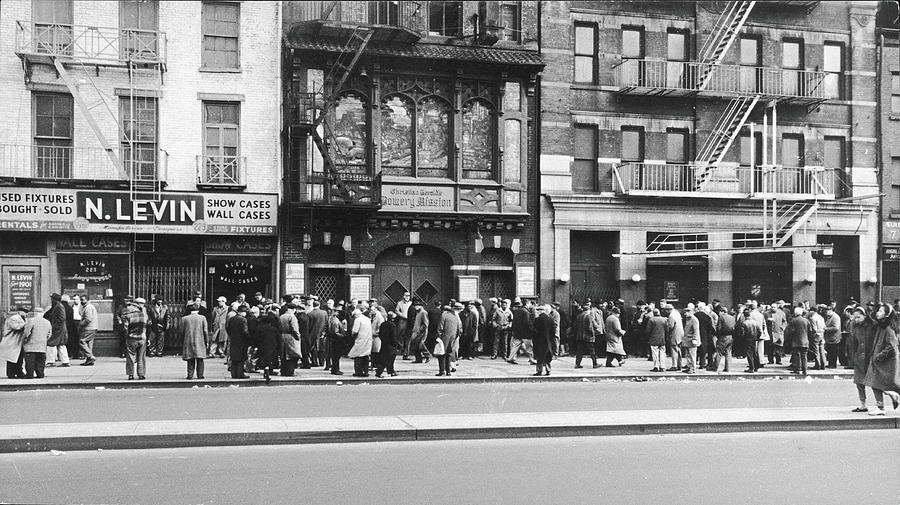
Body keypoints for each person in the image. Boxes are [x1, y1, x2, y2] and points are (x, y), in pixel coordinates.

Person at [863, 303, 900, 416]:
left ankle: (882, 405)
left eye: (880, 311)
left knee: (879, 383)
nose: (878, 313)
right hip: (880, 361)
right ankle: (886, 400)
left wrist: (879, 356)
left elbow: (892, 347)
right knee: (876, 383)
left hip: (885, 363)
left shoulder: (888, 328)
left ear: (886, 314)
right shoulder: (881, 325)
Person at [846, 306, 875, 412]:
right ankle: (863, 404)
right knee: (859, 382)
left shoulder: (872, 325)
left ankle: (884, 401)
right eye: (855, 317)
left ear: (865, 316)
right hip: (859, 358)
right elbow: (853, 343)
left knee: (875, 383)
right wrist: (853, 357)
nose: (856, 319)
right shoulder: (854, 326)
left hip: (870, 357)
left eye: (859, 317)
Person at [180, 304, 209, 380]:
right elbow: (205, 331)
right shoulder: (203, 318)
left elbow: (181, 331)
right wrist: (207, 341)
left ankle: (190, 375)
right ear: (198, 311)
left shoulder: (184, 319)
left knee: (190, 359)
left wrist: (183, 340)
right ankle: (200, 375)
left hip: (188, 341)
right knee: (200, 359)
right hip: (200, 341)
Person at [123, 297, 148, 380]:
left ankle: (131, 374)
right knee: (141, 357)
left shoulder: (128, 316)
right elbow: (146, 327)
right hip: (142, 338)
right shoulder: (144, 315)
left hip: (132, 338)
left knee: (131, 357)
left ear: (134, 307)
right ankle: (141, 374)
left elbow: (125, 328)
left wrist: (127, 336)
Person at [23, 307, 52, 379]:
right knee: (40, 361)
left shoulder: (31, 321)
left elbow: (27, 333)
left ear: (34, 313)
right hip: (42, 345)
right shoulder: (47, 322)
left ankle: (29, 375)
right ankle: (40, 374)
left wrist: (25, 340)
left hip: (31, 345)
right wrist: (44, 340)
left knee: (30, 361)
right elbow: (49, 334)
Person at [44, 293, 69, 368]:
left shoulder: (59, 306)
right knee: (61, 344)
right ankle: (65, 361)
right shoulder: (57, 306)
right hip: (60, 329)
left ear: (55, 299)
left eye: (52, 299)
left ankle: (50, 361)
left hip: (58, 329)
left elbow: (61, 318)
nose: (51, 300)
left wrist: (54, 326)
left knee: (50, 343)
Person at [573, 301, 601, 369]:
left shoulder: (579, 316)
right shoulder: (588, 316)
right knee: (592, 351)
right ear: (588, 310)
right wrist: (592, 334)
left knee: (579, 351)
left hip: (580, 336)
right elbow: (590, 327)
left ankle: (577, 364)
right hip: (587, 336)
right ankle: (595, 363)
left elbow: (575, 326)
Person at [785, 307, 812, 376]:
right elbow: (810, 331)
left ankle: (797, 369)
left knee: (797, 356)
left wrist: (789, 339)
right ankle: (805, 370)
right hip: (805, 341)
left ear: (795, 313)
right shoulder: (806, 321)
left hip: (796, 341)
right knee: (804, 356)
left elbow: (789, 331)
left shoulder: (793, 320)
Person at [1, 308, 27, 378]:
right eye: (24, 312)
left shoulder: (23, 318)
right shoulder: (14, 318)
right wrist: (26, 324)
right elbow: (16, 327)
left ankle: (19, 372)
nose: (25, 314)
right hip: (11, 341)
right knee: (11, 359)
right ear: (19, 312)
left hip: (17, 342)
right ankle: (11, 373)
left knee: (19, 358)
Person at [435, 303, 461, 376]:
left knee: (441, 354)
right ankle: (448, 371)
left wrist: (438, 337)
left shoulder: (444, 315)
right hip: (452, 338)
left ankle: (442, 371)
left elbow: (440, 327)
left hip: (444, 337)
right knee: (449, 354)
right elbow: (459, 329)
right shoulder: (455, 317)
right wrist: (455, 337)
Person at [508, 299, 534, 365]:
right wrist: (531, 331)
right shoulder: (526, 312)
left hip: (517, 332)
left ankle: (511, 358)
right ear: (527, 304)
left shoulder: (516, 311)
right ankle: (532, 359)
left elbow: (513, 322)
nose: (530, 305)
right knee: (529, 347)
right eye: (529, 304)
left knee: (515, 346)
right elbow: (526, 323)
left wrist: (513, 330)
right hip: (525, 333)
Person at [348, 309, 373, 377]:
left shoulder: (358, 320)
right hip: (368, 340)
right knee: (366, 356)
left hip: (360, 340)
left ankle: (358, 372)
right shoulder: (368, 319)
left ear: (356, 315)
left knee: (358, 356)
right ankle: (366, 371)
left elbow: (355, 331)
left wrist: (351, 336)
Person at [227, 305, 250, 379]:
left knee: (234, 358)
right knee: (241, 359)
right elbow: (245, 331)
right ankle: (240, 374)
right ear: (242, 312)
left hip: (233, 340)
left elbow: (228, 329)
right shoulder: (243, 320)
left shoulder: (231, 319)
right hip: (241, 341)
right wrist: (248, 339)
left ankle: (234, 374)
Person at [279, 304, 302, 377]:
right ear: (294, 309)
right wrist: (298, 337)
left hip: (283, 336)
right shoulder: (292, 317)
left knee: (284, 355)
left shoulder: (281, 316)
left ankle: (283, 371)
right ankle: (290, 371)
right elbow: (295, 329)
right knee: (292, 355)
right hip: (291, 337)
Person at [374, 312, 399, 377]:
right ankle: (379, 372)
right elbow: (393, 336)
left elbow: (380, 334)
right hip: (391, 345)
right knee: (389, 359)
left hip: (384, 344)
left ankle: (391, 371)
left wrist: (383, 340)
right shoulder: (392, 325)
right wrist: (395, 344)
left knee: (384, 358)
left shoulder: (383, 324)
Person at [532, 304, 554, 376]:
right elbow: (553, 332)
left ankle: (539, 370)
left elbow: (534, 331)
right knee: (547, 356)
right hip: (547, 341)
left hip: (539, 341)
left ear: (541, 311)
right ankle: (548, 370)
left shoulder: (537, 320)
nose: (537, 312)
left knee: (539, 356)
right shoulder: (550, 319)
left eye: (538, 310)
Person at [739, 307, 763, 373]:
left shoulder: (744, 323)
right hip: (754, 339)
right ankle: (756, 366)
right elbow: (760, 331)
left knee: (749, 354)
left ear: (744, 315)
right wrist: (757, 337)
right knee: (755, 353)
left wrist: (743, 339)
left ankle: (751, 367)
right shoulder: (755, 322)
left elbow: (742, 333)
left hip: (747, 340)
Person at [714, 306, 736, 373]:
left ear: (722, 312)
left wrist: (718, 336)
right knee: (728, 353)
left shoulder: (721, 317)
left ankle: (714, 367)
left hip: (723, 337)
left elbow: (719, 328)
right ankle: (728, 368)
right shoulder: (732, 318)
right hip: (730, 336)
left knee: (719, 352)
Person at [78, 295, 97, 366]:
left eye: (83, 300)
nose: (81, 301)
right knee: (89, 344)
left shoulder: (88, 307)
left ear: (87, 300)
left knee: (82, 341)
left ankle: (90, 356)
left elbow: (88, 319)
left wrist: (81, 324)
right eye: (81, 300)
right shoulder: (89, 307)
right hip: (93, 328)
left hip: (88, 328)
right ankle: (89, 360)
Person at [681, 306, 701, 373]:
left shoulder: (694, 319)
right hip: (687, 339)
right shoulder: (688, 319)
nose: (685, 314)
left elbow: (696, 330)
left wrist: (695, 339)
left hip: (692, 340)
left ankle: (692, 368)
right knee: (688, 355)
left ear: (691, 312)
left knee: (692, 355)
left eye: (686, 312)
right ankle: (689, 367)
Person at [665, 304, 683, 371]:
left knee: (674, 349)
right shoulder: (677, 313)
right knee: (678, 349)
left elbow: (671, 326)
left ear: (668, 310)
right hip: (680, 333)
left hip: (674, 334)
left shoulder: (671, 316)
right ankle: (679, 364)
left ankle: (674, 365)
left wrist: (667, 323)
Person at [395, 291, 412, 360]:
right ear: (403, 296)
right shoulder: (400, 303)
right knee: (400, 335)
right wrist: (402, 315)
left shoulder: (411, 303)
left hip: (409, 321)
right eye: (406, 295)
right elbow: (396, 310)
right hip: (402, 320)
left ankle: (406, 353)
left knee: (408, 337)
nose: (407, 297)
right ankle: (401, 348)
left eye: (408, 295)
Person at [808, 305, 827, 370]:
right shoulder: (821, 317)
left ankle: (817, 365)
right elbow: (824, 327)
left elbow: (814, 329)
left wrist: (811, 335)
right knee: (821, 350)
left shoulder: (813, 318)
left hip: (816, 335)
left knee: (816, 351)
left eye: (810, 311)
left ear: (812, 311)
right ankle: (823, 364)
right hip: (822, 334)